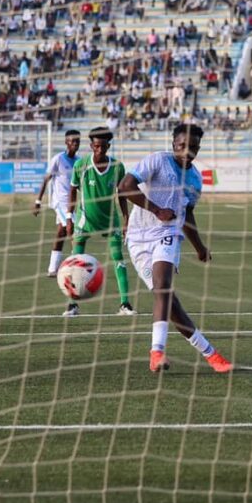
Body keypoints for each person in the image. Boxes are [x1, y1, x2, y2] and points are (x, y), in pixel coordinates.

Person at [119, 123, 228, 375]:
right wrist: (157, 210)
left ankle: (157, 352)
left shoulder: (195, 179)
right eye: (182, 146)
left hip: (168, 233)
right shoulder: (157, 161)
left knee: (163, 288)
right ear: (173, 145)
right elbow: (124, 187)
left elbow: (187, 213)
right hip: (138, 238)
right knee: (169, 301)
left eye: (194, 147)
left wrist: (199, 247)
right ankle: (210, 353)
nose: (188, 152)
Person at [67, 126, 133, 318]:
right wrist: (69, 216)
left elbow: (122, 194)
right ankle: (72, 305)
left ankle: (125, 303)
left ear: (108, 146)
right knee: (75, 261)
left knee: (118, 259)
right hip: (84, 221)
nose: (100, 150)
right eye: (96, 146)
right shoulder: (81, 165)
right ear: (91, 146)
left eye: (103, 146)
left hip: (110, 221)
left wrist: (126, 219)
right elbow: (72, 190)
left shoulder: (117, 167)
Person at [33, 129, 82, 277]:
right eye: (72, 141)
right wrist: (38, 201)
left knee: (61, 232)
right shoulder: (58, 159)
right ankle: (77, 267)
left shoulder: (79, 161)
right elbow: (46, 179)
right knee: (73, 231)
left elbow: (78, 184)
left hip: (71, 203)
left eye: (77, 141)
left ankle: (52, 269)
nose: (75, 144)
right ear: (66, 142)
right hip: (60, 202)